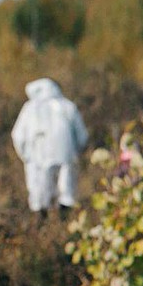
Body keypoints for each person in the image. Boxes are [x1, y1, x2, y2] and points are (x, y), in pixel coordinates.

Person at [11, 77, 88, 215]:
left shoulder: (29, 109)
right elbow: (82, 135)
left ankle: (42, 223)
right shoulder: (67, 106)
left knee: (39, 191)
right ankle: (65, 223)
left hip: (38, 156)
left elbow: (18, 136)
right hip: (65, 154)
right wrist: (75, 151)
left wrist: (26, 156)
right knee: (66, 190)